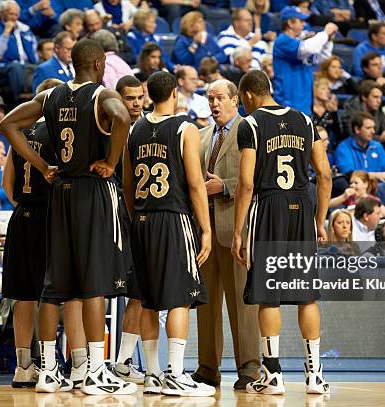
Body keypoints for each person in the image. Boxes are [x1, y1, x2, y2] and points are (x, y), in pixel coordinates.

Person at [0, 38, 136, 395]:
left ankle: (45, 371)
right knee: (94, 282)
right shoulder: (100, 95)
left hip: (60, 192)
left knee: (55, 286)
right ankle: (94, 369)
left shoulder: (51, 96)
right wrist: (111, 160)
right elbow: (121, 116)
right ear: (100, 63)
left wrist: (43, 165)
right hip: (92, 188)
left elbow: (8, 126)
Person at [232, 70, 332, 394]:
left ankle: (272, 375)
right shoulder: (305, 119)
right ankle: (315, 375)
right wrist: (320, 220)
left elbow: (246, 183)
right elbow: (326, 175)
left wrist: (238, 230)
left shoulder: (251, 124)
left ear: (247, 95)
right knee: (307, 295)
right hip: (302, 205)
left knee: (268, 293)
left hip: (269, 205)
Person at [123, 72, 213, 397]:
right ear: (175, 93)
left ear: (148, 94)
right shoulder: (184, 128)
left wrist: (138, 220)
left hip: (142, 220)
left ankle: (152, 375)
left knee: (147, 299)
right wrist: (205, 228)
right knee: (180, 297)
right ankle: (175, 373)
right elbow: (194, 183)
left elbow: (128, 185)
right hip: (173, 218)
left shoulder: (134, 129)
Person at [1, 77, 85, 390]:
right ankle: (78, 364)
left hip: (21, 218)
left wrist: (26, 205)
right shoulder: (60, 134)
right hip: (53, 219)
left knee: (23, 296)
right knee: (67, 294)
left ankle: (24, 367)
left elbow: (7, 184)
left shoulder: (19, 133)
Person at [190, 79, 261, 391]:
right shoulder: (202, 134)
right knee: (205, 304)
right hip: (204, 231)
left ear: (236, 100)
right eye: (210, 98)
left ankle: (250, 368)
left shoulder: (250, 130)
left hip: (237, 229)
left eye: (220, 98)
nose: (214, 104)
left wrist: (226, 185)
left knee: (241, 304)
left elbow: (257, 177)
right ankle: (207, 368)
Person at [107, 75, 146, 385]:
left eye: (139, 97)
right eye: (129, 98)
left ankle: (123, 362)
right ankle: (82, 362)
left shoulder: (152, 129)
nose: (136, 103)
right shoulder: (108, 128)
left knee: (138, 293)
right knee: (90, 293)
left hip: (140, 222)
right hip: (109, 216)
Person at [273, 6, 337, 115]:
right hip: (287, 105)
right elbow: (307, 48)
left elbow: (322, 57)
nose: (304, 24)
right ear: (290, 23)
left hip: (305, 105)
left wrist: (328, 40)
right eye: (301, 21)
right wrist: (325, 33)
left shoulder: (300, 44)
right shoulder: (282, 41)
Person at [0, 0, 39, 104]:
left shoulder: (24, 29)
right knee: (16, 66)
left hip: (27, 67)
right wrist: (6, 33)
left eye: (16, 14)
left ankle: (40, 102)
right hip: (5, 67)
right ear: (2, 14)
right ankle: (17, 102)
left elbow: (34, 51)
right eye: (11, 14)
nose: (14, 17)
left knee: (42, 67)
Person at [340, 80, 385, 149]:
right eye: (375, 97)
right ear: (364, 97)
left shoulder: (379, 112)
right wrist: (380, 138)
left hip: (374, 149)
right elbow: (353, 136)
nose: (379, 101)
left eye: (380, 97)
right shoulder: (351, 111)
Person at [334, 112, 385, 181]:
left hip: (378, 187)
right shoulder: (343, 148)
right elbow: (350, 174)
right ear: (357, 129)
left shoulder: (377, 146)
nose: (373, 131)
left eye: (373, 128)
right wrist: (375, 175)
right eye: (368, 128)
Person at [311, 78, 343, 147]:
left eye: (328, 89)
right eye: (323, 89)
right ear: (314, 90)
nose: (327, 91)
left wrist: (335, 112)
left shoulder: (330, 111)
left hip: (325, 147)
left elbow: (339, 134)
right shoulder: (307, 109)